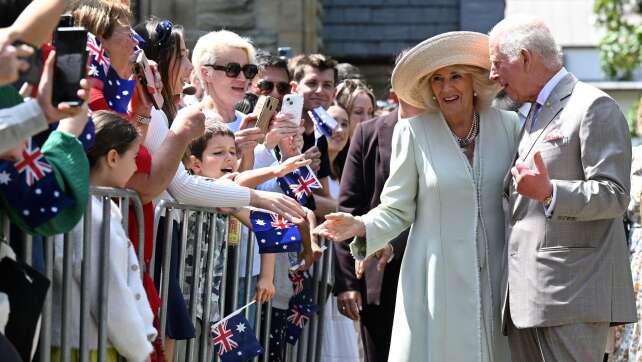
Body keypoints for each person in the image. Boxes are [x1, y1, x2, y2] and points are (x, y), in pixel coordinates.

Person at [314, 31, 519, 361]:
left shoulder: (509, 126)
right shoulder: (413, 132)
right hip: (435, 278)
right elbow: (396, 208)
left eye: (455, 77)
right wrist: (360, 226)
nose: (447, 87)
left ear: (473, 81)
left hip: (498, 273)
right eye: (437, 79)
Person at [489, 16, 636, 361]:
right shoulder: (530, 115)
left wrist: (550, 192)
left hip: (572, 296)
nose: (493, 75)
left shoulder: (592, 106)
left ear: (524, 58)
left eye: (497, 64)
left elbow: (614, 195)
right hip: (527, 299)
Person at [52, 111, 156, 362]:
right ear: (112, 157)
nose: (134, 166)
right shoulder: (94, 215)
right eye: (133, 157)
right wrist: (138, 349)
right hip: (85, 348)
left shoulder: (89, 207)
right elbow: (108, 292)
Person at [332, 89, 419, 362]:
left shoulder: (445, 129)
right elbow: (348, 209)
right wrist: (347, 282)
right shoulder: (369, 132)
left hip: (429, 273)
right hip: (377, 278)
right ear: (395, 89)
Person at [288, 53, 339, 218]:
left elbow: (324, 198)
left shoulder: (321, 137)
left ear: (334, 92)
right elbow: (285, 194)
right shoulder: (281, 127)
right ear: (295, 88)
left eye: (327, 85)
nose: (319, 91)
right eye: (311, 83)